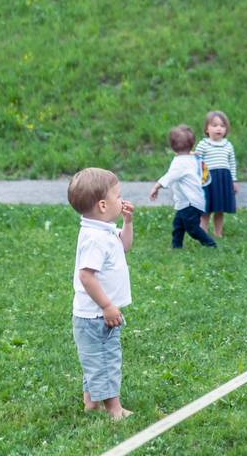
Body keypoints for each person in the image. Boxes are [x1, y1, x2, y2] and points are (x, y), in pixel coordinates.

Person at [68, 167, 135, 420]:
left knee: (94, 359)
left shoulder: (104, 230)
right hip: (96, 315)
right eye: (118, 196)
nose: (122, 200)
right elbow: (86, 276)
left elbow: (125, 245)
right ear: (103, 205)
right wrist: (107, 306)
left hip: (97, 315)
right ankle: (114, 409)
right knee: (106, 360)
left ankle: (91, 404)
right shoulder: (95, 238)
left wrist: (128, 222)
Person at [149, 125, 217, 249]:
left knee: (192, 228)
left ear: (172, 147)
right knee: (178, 225)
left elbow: (170, 176)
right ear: (192, 145)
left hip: (190, 203)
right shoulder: (192, 158)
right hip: (189, 201)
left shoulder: (180, 163)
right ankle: (176, 246)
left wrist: (157, 186)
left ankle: (210, 243)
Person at [195, 110, 239, 237]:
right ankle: (202, 233)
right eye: (214, 125)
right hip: (207, 180)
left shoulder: (228, 145)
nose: (218, 128)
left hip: (223, 180)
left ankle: (218, 233)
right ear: (207, 129)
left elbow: (232, 164)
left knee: (220, 209)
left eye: (222, 125)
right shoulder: (203, 145)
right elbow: (197, 162)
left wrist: (234, 181)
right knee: (206, 209)